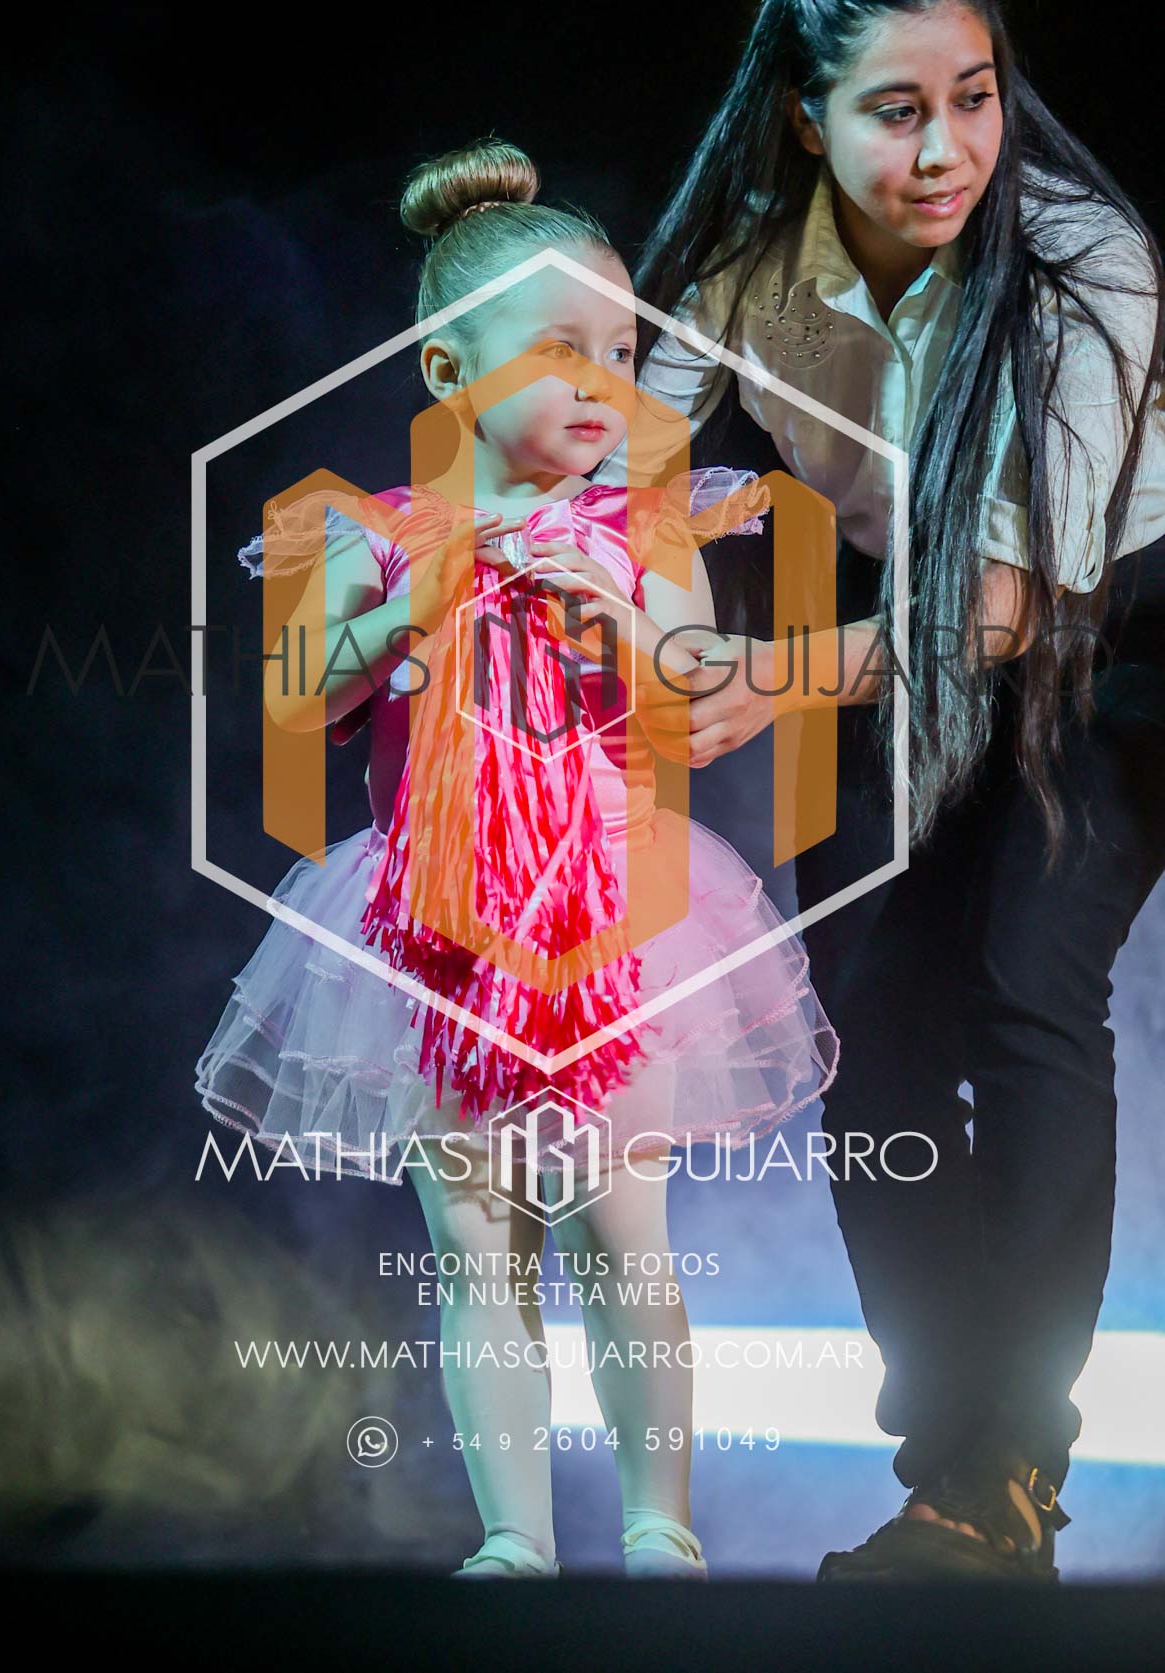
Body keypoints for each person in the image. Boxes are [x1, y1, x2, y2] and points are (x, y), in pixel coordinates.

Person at [194, 138, 839, 1582]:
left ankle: (662, 1521)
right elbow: (301, 699)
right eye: (562, 353)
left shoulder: (647, 529)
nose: (603, 384)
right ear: (450, 373)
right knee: (480, 1239)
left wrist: (618, 610)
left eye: (624, 352)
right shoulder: (379, 532)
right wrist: (400, 612)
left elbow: (695, 691)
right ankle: (514, 1535)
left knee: (625, 1230)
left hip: (616, 915)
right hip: (435, 922)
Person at [594, 0, 1165, 1581]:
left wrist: (766, 678)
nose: (946, 151)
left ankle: (1006, 1478)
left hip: (1109, 626)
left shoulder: (1086, 260)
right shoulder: (740, 269)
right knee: (863, 1030)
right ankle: (951, 1467)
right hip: (890, 620)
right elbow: (632, 487)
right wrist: (672, 637)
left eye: (974, 98)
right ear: (804, 116)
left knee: (1025, 979)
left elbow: (1012, 609)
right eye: (896, 110)